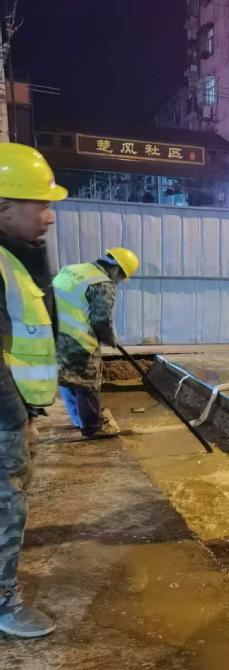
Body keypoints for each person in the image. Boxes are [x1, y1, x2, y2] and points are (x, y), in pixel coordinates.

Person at [0, 143, 67, 638]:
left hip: (15, 410)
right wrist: (16, 420)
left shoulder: (14, 257)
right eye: (39, 204)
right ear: (4, 207)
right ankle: (3, 604)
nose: (49, 216)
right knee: (6, 506)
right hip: (4, 418)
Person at [53, 247, 139, 438]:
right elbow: (101, 320)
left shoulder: (71, 270)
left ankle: (78, 419)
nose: (119, 281)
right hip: (78, 340)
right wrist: (111, 339)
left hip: (55, 335)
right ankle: (93, 428)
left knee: (68, 379)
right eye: (121, 276)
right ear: (116, 269)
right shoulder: (102, 283)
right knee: (87, 384)